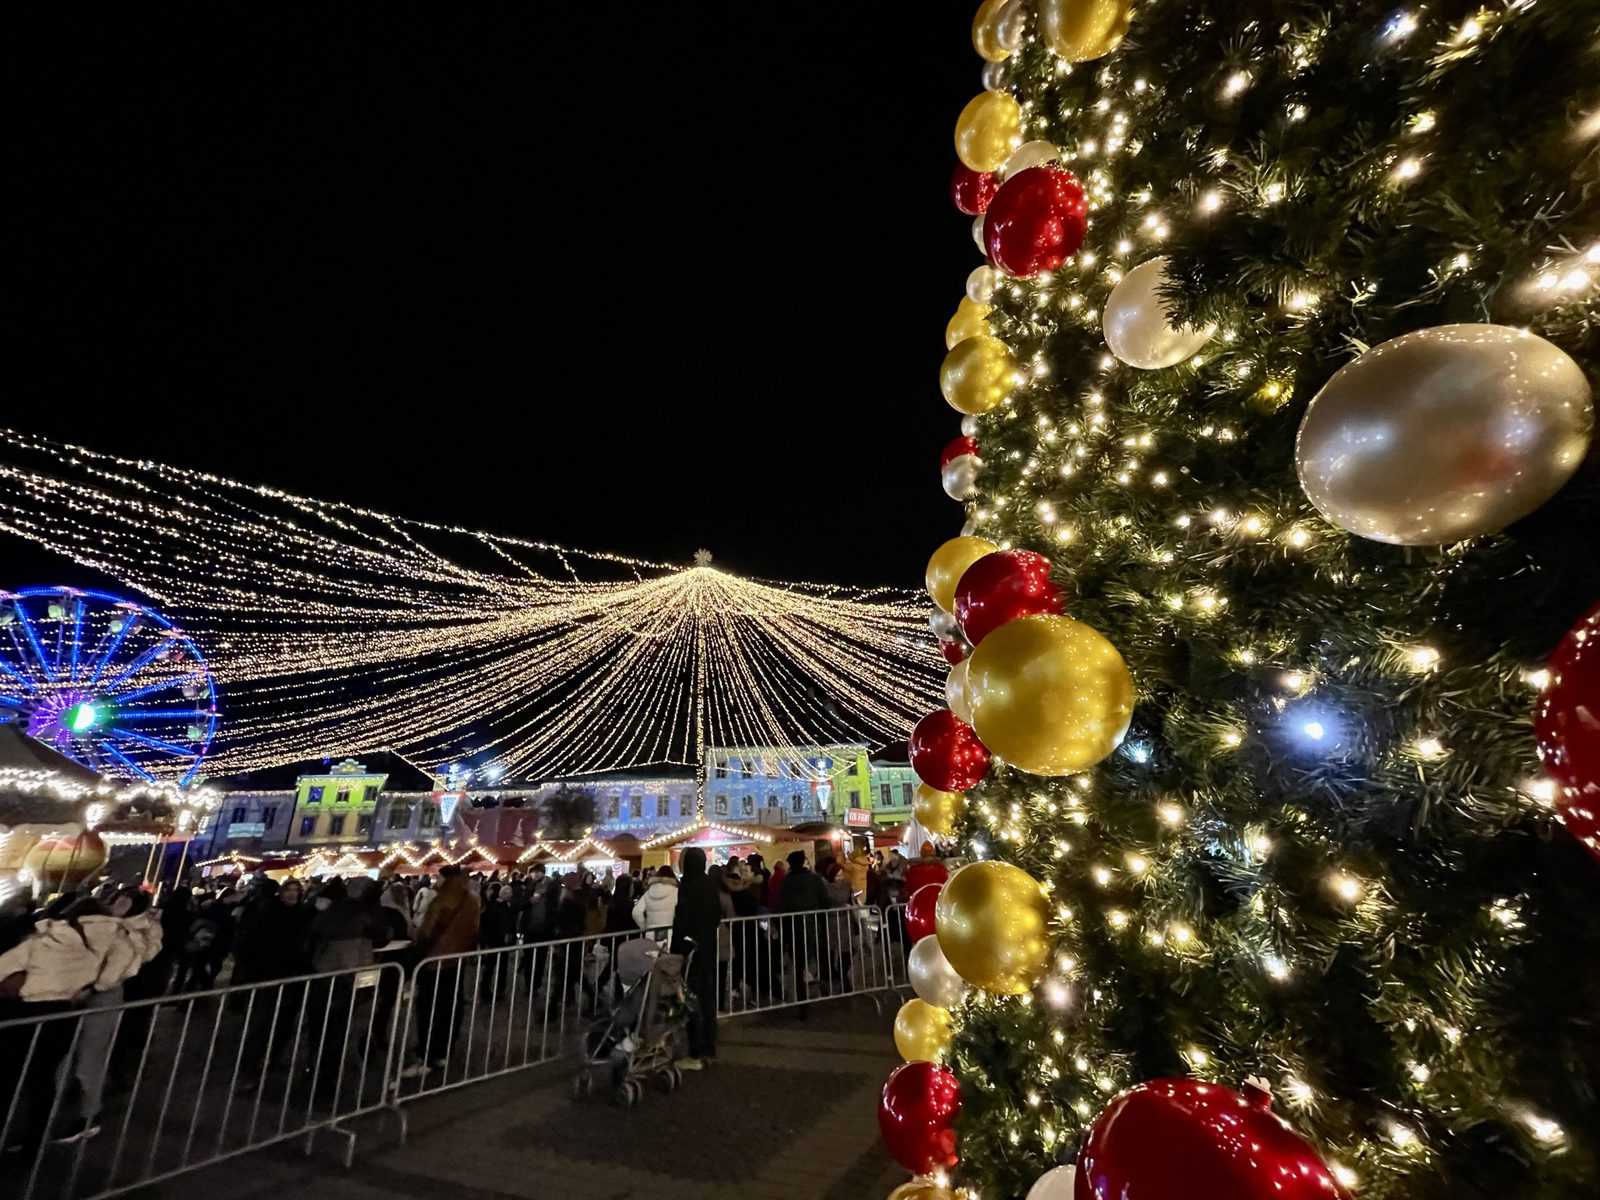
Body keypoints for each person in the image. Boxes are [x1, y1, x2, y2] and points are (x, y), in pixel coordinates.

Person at [405, 866, 481, 1077]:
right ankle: (443, 1051)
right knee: (451, 1006)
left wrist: (416, 954)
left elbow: (428, 932)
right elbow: (474, 931)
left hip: (434, 961)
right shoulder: (472, 901)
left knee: (429, 1008)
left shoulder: (443, 901)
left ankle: (426, 1055)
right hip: (456, 960)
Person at [670, 847, 721, 1069]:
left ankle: (696, 1052)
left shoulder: (688, 887)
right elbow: (717, 915)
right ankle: (709, 1047)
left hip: (691, 952)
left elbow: (681, 921)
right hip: (708, 948)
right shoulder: (710, 885)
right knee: (708, 999)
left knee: (691, 1000)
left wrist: (676, 951)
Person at [631, 864, 678, 934]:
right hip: (670, 933)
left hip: (651, 934)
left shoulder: (648, 892)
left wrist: (645, 926)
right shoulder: (676, 891)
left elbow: (636, 912)